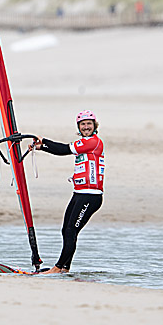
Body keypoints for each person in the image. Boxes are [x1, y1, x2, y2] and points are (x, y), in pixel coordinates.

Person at [34, 110, 105, 274]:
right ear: (79, 127)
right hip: (79, 194)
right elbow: (61, 149)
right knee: (67, 230)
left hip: (91, 196)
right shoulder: (83, 143)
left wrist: (44, 141)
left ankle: (58, 268)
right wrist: (41, 147)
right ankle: (65, 268)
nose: (86, 127)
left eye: (89, 124)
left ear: (94, 126)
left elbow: (64, 149)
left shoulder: (93, 142)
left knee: (71, 230)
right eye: (83, 124)